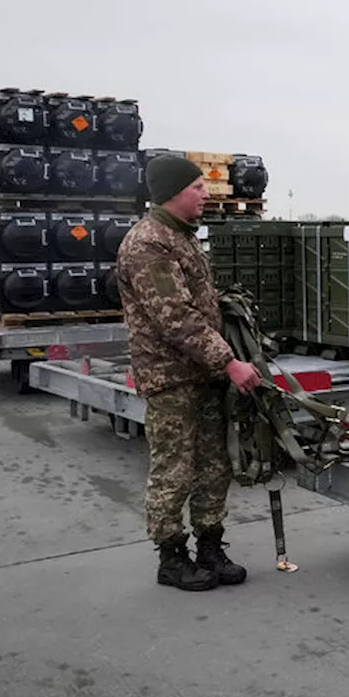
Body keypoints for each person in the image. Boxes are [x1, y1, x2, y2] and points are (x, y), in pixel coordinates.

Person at [117, 153, 263, 592]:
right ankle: (172, 555)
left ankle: (210, 545)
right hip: (172, 377)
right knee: (174, 468)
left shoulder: (181, 239)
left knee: (214, 465)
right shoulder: (149, 244)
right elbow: (174, 316)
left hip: (202, 374)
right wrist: (229, 361)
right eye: (198, 187)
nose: (206, 194)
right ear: (173, 192)